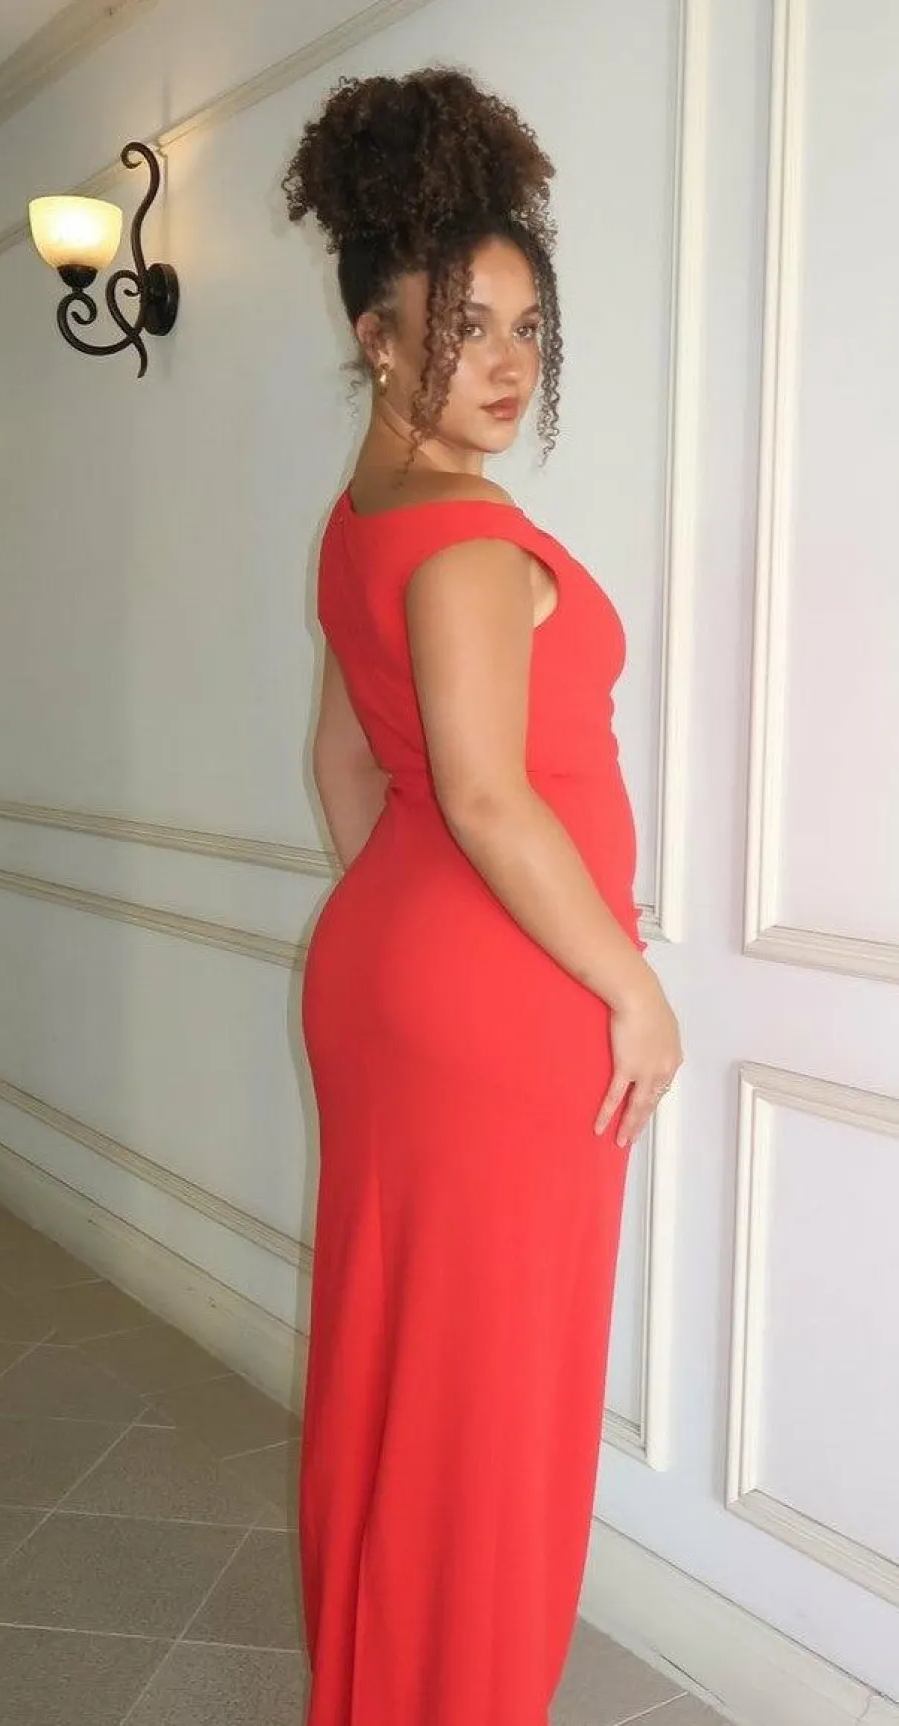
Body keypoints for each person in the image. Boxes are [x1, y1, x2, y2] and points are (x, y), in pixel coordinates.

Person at [283, 65, 684, 1726]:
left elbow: (344, 767)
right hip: (510, 1000)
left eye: (525, 327)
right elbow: (486, 795)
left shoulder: (359, 520)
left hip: (409, 975)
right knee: (493, 1390)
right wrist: (633, 990)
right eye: (463, 328)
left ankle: (385, 1676)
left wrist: (406, 937)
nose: (506, 363)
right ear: (378, 338)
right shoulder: (459, 530)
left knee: (398, 1359)